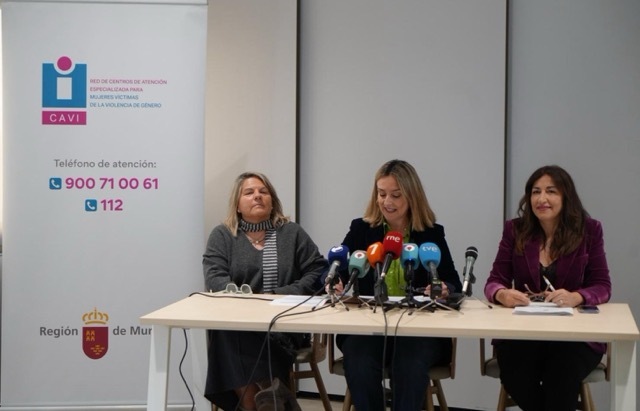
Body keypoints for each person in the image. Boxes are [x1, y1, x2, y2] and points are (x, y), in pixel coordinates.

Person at [333, 159, 462, 411]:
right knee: (359, 361)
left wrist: (444, 287)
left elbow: (452, 281)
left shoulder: (431, 232)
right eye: (381, 194)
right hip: (369, 327)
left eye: (395, 195)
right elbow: (338, 268)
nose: (387, 202)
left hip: (419, 329)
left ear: (412, 196)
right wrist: (335, 281)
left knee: (409, 363)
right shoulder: (361, 229)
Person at [484, 165, 612, 411]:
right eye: (536, 192)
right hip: (524, 334)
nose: (541, 199)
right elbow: (494, 281)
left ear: (566, 196)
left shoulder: (589, 230)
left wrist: (577, 296)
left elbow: (602, 285)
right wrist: (502, 294)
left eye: (551, 191)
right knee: (516, 373)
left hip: (574, 337)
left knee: (561, 375)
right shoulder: (515, 230)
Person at [202, 171, 328, 411]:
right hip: (239, 321)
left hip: (282, 324)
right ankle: (271, 396)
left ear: (272, 201)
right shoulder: (223, 235)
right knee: (229, 330)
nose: (257, 196)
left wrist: (279, 294)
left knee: (227, 337)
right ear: (237, 205)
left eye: (263, 191)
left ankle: (261, 401)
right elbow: (214, 276)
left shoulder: (291, 233)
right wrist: (246, 302)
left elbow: (318, 271)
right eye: (249, 192)